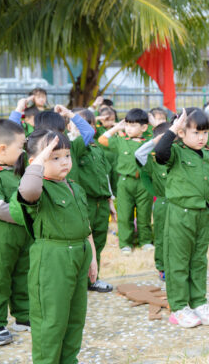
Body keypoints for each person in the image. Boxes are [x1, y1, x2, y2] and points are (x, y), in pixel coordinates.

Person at [16, 129, 97, 363]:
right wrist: (39, 162)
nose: (64, 162)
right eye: (55, 157)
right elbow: (28, 190)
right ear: (36, 161)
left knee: (74, 318)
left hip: (79, 254)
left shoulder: (74, 186)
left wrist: (92, 257)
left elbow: (85, 226)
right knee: (51, 321)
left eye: (67, 156)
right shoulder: (38, 188)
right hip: (53, 258)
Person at [154, 108, 209, 328]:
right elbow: (160, 152)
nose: (202, 138)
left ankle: (199, 302)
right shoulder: (176, 152)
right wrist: (174, 128)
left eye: (205, 132)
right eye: (196, 133)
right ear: (182, 133)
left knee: (199, 260)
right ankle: (179, 307)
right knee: (178, 261)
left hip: (203, 215)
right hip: (181, 214)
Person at [0, 120, 30, 346]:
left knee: (23, 274)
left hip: (21, 235)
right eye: (20, 147)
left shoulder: (15, 171)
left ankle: (24, 315)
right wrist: (26, 217)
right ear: (2, 148)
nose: (23, 151)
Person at [70, 108, 115, 293]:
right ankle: (80, 280)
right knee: (84, 242)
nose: (85, 127)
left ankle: (93, 278)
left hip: (101, 202)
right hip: (86, 201)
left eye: (89, 124)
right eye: (79, 123)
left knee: (99, 241)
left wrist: (110, 200)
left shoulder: (96, 148)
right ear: (70, 126)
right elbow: (85, 134)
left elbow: (105, 175)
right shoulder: (73, 147)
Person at [98, 108, 153, 254]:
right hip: (124, 182)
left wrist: (153, 123)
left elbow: (163, 135)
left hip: (144, 183)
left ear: (144, 127)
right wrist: (116, 128)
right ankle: (125, 244)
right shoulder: (121, 141)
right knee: (124, 214)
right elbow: (102, 140)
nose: (128, 128)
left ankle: (145, 241)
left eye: (133, 125)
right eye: (127, 125)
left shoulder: (149, 141)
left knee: (144, 214)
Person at [135, 122, 171, 280]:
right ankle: (162, 266)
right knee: (162, 236)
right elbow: (139, 154)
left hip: (181, 203)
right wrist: (155, 142)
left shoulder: (180, 156)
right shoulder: (152, 160)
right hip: (163, 203)